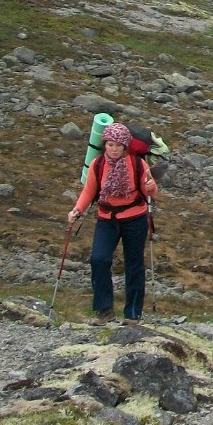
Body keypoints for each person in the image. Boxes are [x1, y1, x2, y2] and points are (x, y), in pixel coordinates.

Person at [68, 121, 159, 325]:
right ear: (105, 145)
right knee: (99, 260)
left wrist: (152, 187)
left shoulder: (138, 164)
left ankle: (133, 314)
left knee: (134, 265)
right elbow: (89, 191)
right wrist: (77, 210)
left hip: (135, 219)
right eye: (110, 145)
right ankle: (104, 310)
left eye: (118, 145)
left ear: (125, 146)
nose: (114, 149)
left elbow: (151, 193)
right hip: (106, 218)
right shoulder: (97, 165)